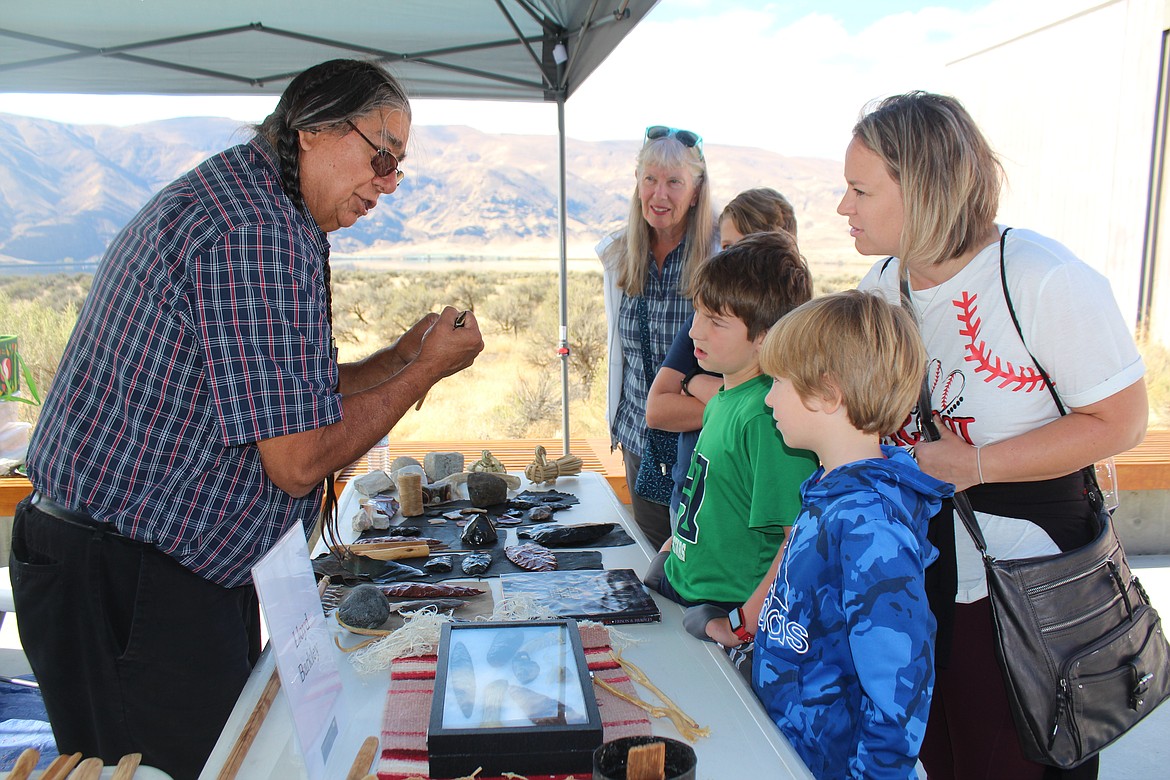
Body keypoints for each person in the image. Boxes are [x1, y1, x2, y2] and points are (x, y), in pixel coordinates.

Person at [9, 59, 484, 780]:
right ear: (316, 128)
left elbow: (288, 396)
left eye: (398, 164)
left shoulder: (265, 205)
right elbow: (294, 459)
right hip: (123, 573)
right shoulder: (254, 227)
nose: (390, 180)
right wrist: (424, 372)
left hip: (150, 560)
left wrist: (396, 358)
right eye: (381, 153)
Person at [847, 92, 1148, 779]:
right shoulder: (882, 284)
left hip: (1029, 594)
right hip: (923, 588)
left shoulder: (1040, 278)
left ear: (921, 187)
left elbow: (1123, 421)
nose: (844, 207)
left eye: (859, 189)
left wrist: (977, 463)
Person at [749, 289, 952, 780]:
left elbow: (898, 687)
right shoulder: (828, 491)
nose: (769, 396)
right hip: (792, 750)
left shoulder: (871, 528)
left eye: (778, 381)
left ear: (828, 392)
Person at [642, 231, 818, 647]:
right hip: (683, 585)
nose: (694, 332)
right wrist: (671, 553)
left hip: (724, 606)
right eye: (697, 314)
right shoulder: (724, 395)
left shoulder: (767, 417)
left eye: (716, 322)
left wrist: (743, 625)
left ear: (766, 335)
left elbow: (797, 538)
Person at [597, 126, 716, 550]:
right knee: (652, 555)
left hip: (706, 443)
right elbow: (621, 356)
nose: (659, 194)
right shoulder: (618, 255)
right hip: (639, 440)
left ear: (697, 191)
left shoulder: (720, 257)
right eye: (650, 179)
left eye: (673, 182)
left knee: (698, 559)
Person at [646, 187, 798, 513]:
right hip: (691, 500)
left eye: (747, 247)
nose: (695, 330)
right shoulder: (708, 319)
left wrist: (694, 385)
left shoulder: (769, 414)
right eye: (727, 247)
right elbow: (657, 409)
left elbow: (785, 536)